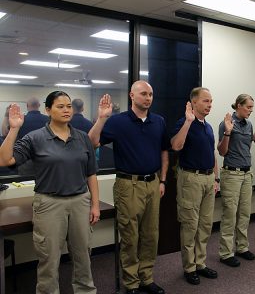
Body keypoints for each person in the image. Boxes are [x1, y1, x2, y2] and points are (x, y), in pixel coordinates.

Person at [0, 91, 100, 294]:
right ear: (48, 110)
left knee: (83, 257)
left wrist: (95, 205)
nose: (66, 110)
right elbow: (5, 160)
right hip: (49, 204)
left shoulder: (81, 137)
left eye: (69, 106)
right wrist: (13, 129)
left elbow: (91, 174)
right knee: (49, 260)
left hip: (80, 202)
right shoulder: (35, 138)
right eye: (60, 106)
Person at [88, 81, 169, 294]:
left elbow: (164, 152)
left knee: (151, 235)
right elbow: (92, 142)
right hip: (128, 185)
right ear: (132, 95)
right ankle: (131, 283)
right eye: (144, 94)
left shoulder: (158, 121)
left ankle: (146, 278)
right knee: (130, 236)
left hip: (153, 183)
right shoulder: (118, 122)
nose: (148, 98)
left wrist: (162, 180)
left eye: (151, 94)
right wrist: (102, 118)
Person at [171, 87, 219, 285]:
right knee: (190, 224)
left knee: (205, 225)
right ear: (194, 103)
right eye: (206, 101)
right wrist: (188, 122)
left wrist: (216, 179)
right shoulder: (184, 123)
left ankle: (200, 263)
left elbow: (213, 153)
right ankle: (189, 267)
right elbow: (175, 146)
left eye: (211, 101)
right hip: (191, 179)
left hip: (208, 179)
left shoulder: (208, 127)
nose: (209, 105)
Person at [217, 94, 255, 267]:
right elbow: (222, 152)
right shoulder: (226, 123)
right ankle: (226, 253)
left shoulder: (248, 125)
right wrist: (228, 132)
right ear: (238, 105)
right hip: (232, 174)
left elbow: (254, 142)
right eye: (248, 107)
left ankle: (242, 247)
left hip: (247, 174)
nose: (250, 111)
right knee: (230, 214)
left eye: (252, 108)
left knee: (244, 213)